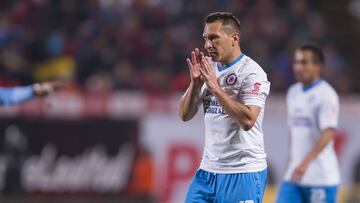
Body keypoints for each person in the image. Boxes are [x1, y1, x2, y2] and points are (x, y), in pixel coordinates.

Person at [179, 12, 270, 203]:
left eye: (214, 38)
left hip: (242, 171)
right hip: (208, 171)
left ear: (234, 38)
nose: (207, 45)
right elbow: (184, 115)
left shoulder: (252, 73)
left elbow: (248, 120)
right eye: (205, 38)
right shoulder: (208, 68)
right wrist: (196, 84)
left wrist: (216, 88)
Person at [276, 43, 340, 203]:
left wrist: (305, 163)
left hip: (320, 177)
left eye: (304, 62)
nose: (298, 67)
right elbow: (293, 131)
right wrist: (292, 161)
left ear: (318, 66)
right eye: (296, 62)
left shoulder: (327, 94)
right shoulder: (293, 92)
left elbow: (328, 132)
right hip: (294, 174)